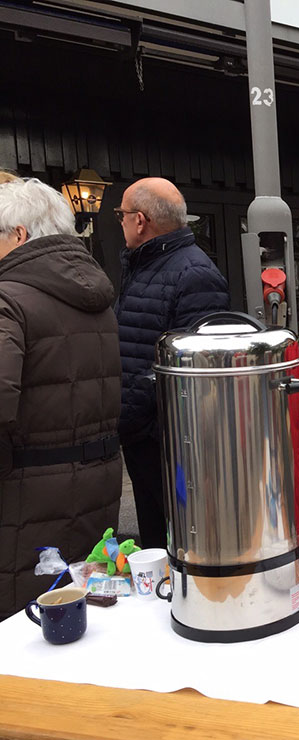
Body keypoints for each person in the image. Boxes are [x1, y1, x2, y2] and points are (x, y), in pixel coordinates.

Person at [0, 177, 123, 619]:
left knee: (25, 621)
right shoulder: (97, 296)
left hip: (28, 493)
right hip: (99, 477)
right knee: (84, 597)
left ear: (19, 235)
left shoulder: (7, 299)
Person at [115, 177, 229, 549]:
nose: (120, 221)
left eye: (121, 214)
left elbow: (191, 369)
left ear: (140, 220)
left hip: (169, 440)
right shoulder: (145, 265)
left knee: (177, 539)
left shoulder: (193, 273)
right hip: (143, 433)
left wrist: (128, 413)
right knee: (152, 539)